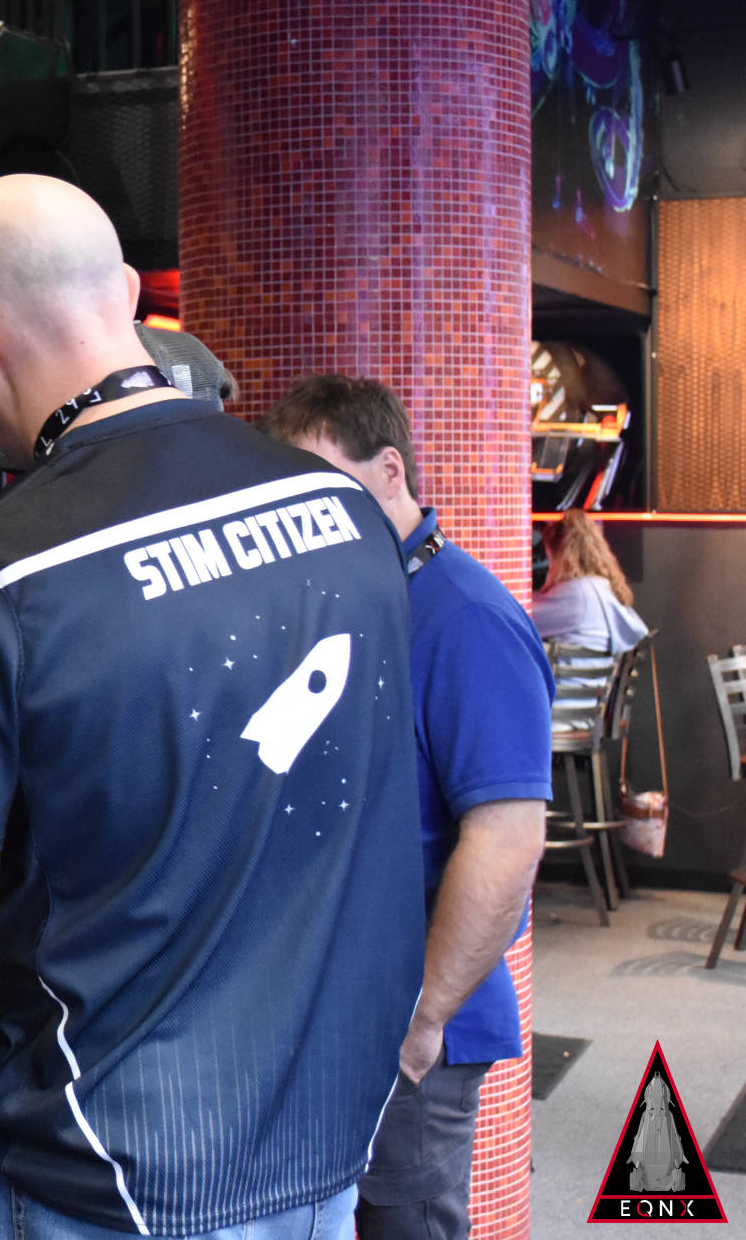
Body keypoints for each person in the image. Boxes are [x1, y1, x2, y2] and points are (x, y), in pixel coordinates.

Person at [0, 175, 425, 1239]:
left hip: (103, 1184)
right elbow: (232, 770)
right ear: (126, 293)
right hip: (325, 1152)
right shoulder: (346, 511)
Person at [263, 375, 551, 1240]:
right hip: (320, 1014)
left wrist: (422, 1021)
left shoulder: (465, 616)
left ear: (391, 471)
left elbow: (507, 843)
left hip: (410, 1029)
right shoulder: (348, 596)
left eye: (323, 489)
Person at [533, 509, 649, 654]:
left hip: (564, 669)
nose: (550, 567)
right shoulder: (602, 586)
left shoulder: (578, 592)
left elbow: (523, 621)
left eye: (551, 558)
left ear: (562, 556)